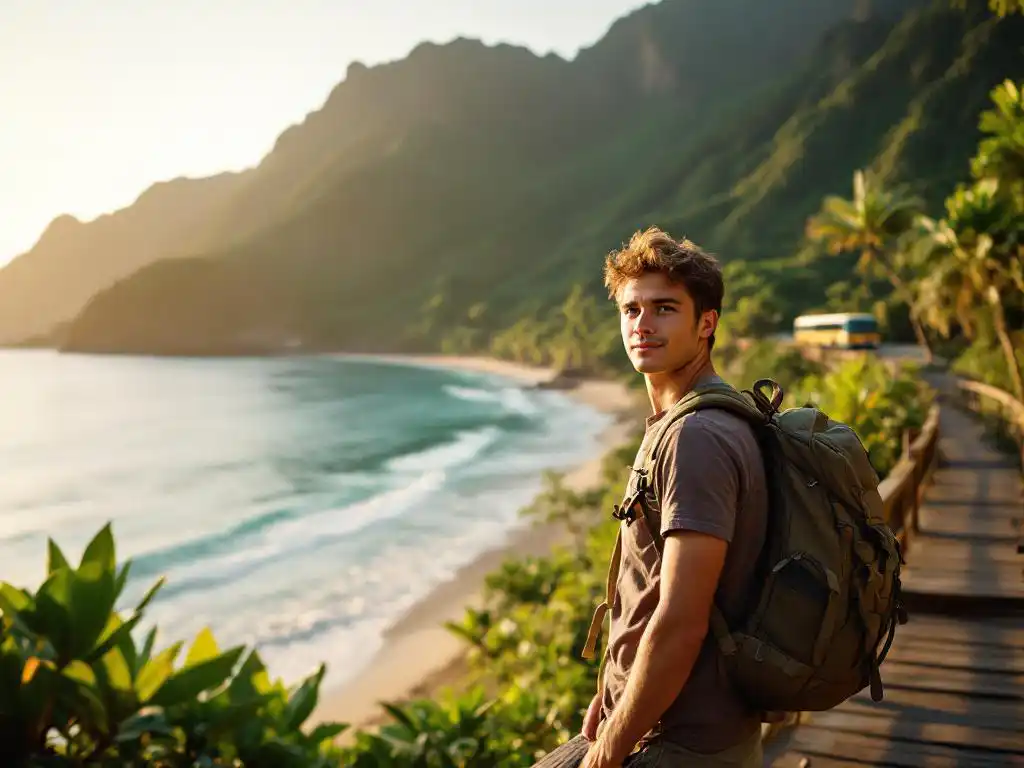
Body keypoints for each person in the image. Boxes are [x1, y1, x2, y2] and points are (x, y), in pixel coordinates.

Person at [579, 227, 767, 767]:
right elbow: (648, 586)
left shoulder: (696, 438)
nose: (642, 324)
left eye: (664, 309)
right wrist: (612, 692)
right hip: (671, 723)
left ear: (706, 323)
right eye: (631, 309)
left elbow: (681, 621)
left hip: (682, 740)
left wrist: (608, 750)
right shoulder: (687, 419)